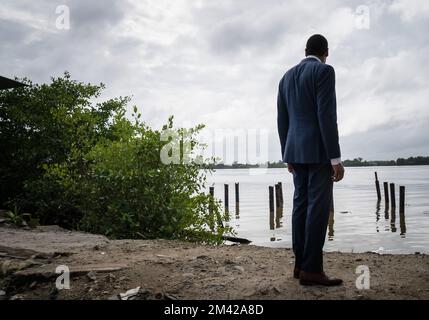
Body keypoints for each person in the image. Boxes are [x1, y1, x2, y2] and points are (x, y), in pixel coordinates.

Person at [277, 34, 345, 286]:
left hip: (295, 151)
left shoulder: (285, 77)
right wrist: (335, 158)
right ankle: (312, 269)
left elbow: (282, 120)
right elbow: (326, 115)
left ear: (305, 50)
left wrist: (287, 154)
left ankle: (299, 265)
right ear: (325, 52)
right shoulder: (324, 71)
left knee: (300, 206)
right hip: (318, 151)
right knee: (318, 207)